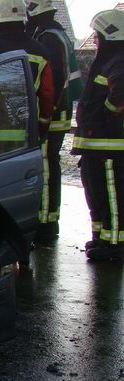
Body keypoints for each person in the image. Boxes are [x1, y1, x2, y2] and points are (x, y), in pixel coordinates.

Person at [25, 0, 84, 243]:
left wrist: (44, 116)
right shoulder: (56, 34)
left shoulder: (48, 38)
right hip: (57, 114)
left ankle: (46, 223)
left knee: (47, 166)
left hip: (52, 116)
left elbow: (55, 81)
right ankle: (48, 220)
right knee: (50, 164)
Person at [72, 8, 124, 261]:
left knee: (112, 195)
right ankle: (102, 238)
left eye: (97, 34)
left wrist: (107, 115)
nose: (94, 39)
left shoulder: (119, 60)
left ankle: (115, 245)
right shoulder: (109, 59)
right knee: (97, 194)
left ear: (109, 34)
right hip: (96, 146)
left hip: (109, 147)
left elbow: (120, 93)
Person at [0, 0, 55, 144]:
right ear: (24, 18)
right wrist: (43, 125)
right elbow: (47, 94)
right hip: (26, 136)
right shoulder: (40, 51)